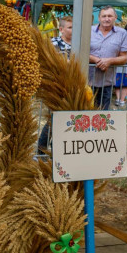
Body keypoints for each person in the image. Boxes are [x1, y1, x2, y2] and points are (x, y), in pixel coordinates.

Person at [37, 15, 73, 153]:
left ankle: (60, 149)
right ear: (61, 29)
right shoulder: (53, 43)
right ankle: (41, 149)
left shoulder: (79, 43)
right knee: (54, 117)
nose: (72, 30)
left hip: (73, 86)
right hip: (56, 85)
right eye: (70, 27)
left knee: (67, 119)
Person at [89, 6, 127, 110]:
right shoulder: (88, 31)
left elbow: (124, 58)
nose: (107, 19)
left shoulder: (122, 33)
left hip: (106, 82)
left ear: (115, 17)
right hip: (86, 81)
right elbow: (81, 52)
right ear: (99, 18)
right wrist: (97, 60)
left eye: (110, 16)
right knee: (85, 113)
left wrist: (109, 61)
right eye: (104, 16)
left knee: (103, 115)